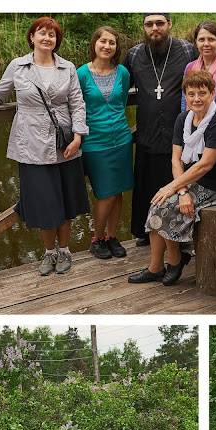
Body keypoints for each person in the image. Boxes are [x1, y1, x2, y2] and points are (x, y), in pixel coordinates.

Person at [0, 16, 90, 276]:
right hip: (31, 145)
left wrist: (78, 137)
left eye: (52, 34)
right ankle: (49, 253)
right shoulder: (18, 66)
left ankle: (65, 250)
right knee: (42, 200)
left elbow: (77, 103)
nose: (47, 38)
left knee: (66, 199)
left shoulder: (67, 68)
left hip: (64, 143)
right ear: (32, 37)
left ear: (56, 40)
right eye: (42, 33)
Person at [129, 69, 216, 287]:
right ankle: (157, 267)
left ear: (212, 94)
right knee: (157, 202)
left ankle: (176, 261)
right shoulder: (183, 119)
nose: (196, 99)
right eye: (191, 94)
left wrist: (174, 187)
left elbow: (206, 164)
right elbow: (176, 159)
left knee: (166, 206)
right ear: (185, 96)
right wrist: (181, 190)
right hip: (190, 180)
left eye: (202, 93)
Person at [123, 13, 197, 245]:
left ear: (169, 24)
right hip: (147, 131)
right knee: (147, 184)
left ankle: (179, 235)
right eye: (149, 24)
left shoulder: (186, 50)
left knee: (176, 182)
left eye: (159, 23)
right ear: (144, 27)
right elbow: (116, 83)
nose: (154, 28)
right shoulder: (134, 55)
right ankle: (147, 232)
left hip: (179, 133)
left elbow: (209, 73)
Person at [77, 26, 133, 260]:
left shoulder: (122, 72)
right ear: (95, 44)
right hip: (95, 142)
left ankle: (111, 237)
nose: (107, 46)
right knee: (105, 194)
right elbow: (75, 107)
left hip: (121, 138)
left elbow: (120, 103)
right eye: (103, 41)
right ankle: (97, 238)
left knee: (118, 192)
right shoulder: (81, 73)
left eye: (112, 42)